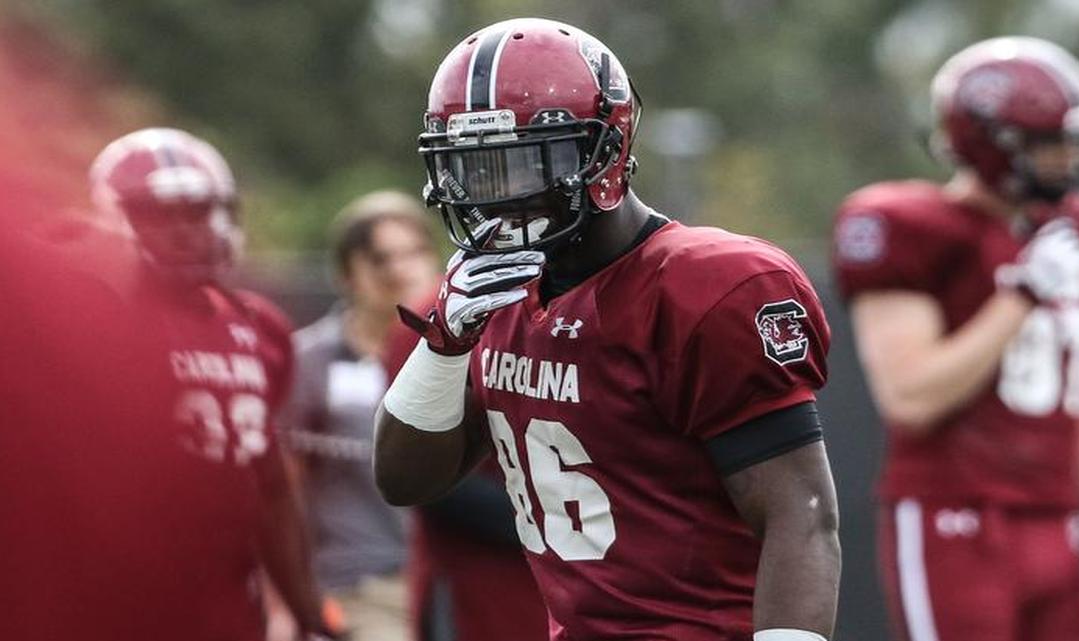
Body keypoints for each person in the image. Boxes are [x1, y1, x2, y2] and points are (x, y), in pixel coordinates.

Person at [374, 17, 841, 641]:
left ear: (605, 150)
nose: (500, 198)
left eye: (528, 164)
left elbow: (800, 514)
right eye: (479, 170)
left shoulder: (707, 285)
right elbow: (405, 481)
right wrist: (443, 347)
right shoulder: (493, 293)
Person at [832, 37, 1079, 641]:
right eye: (1053, 143)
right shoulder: (908, 226)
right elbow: (911, 397)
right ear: (995, 145)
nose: (1071, 159)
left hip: (1056, 518)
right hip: (955, 518)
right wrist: (1020, 297)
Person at [88, 127, 337, 641]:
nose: (184, 232)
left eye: (197, 211)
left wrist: (310, 615)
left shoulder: (260, 327)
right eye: (158, 214)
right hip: (117, 594)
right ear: (112, 219)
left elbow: (271, 489)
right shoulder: (92, 322)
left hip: (229, 599)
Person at [283, 191, 438, 640]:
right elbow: (281, 489)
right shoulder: (306, 362)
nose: (399, 270)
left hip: (446, 577)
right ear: (347, 271)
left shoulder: (463, 354)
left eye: (413, 253)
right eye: (379, 258)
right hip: (356, 583)